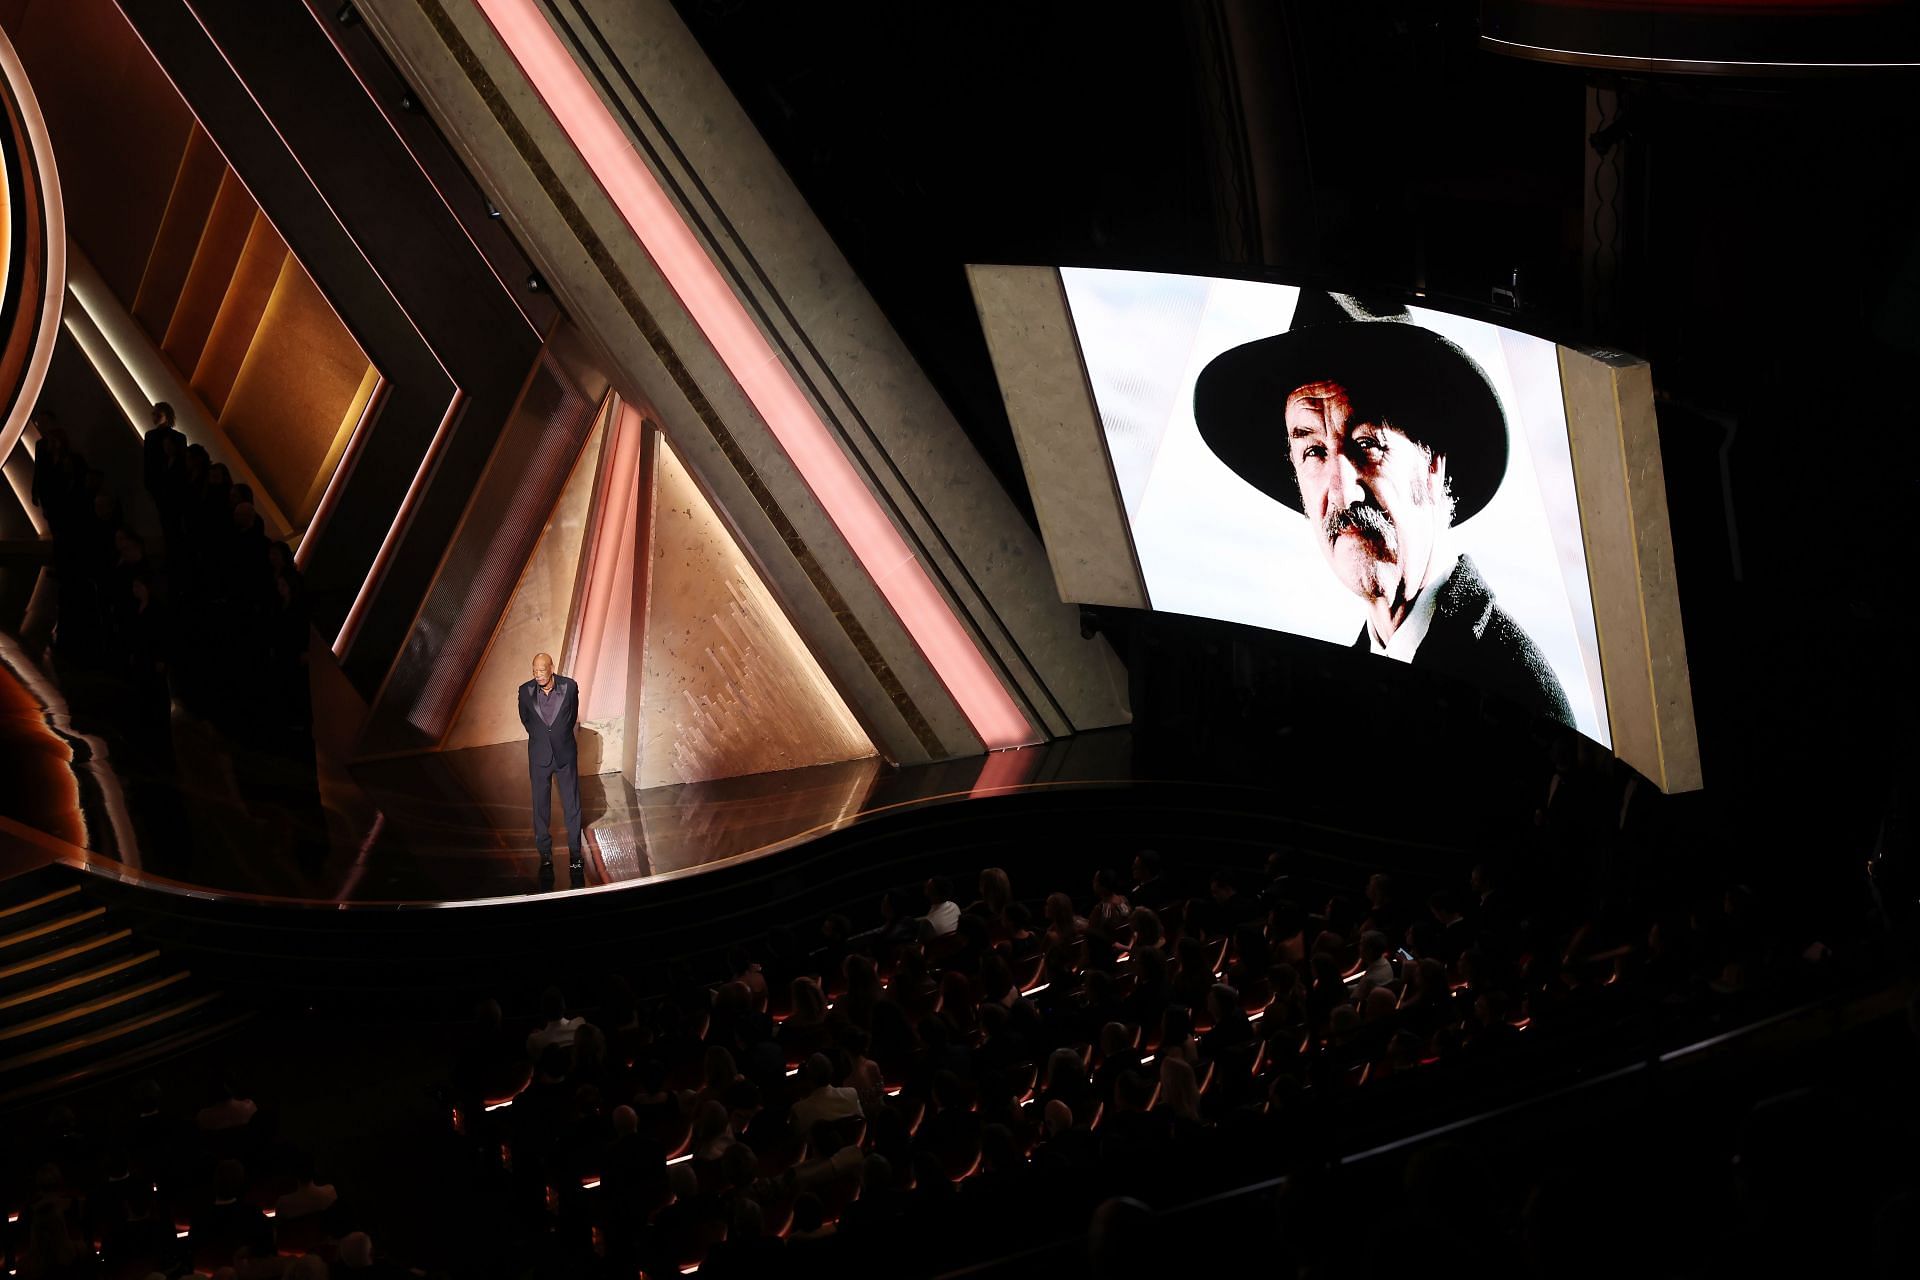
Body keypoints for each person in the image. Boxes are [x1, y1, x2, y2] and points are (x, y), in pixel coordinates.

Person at [1192, 291, 1573, 726]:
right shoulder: (1341, 691)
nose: (1344, 494)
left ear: (1433, 461)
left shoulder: (1517, 699)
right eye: (1314, 451)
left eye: (1367, 444)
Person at [518, 651, 584, 874]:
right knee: (540, 807)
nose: (537, 675)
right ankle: (545, 854)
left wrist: (558, 735)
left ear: (552, 667)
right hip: (539, 757)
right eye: (534, 670)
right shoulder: (524, 692)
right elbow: (526, 721)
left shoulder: (570, 687)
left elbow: (572, 716)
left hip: (564, 755)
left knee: (572, 804)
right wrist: (543, 738)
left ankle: (575, 853)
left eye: (542, 670)